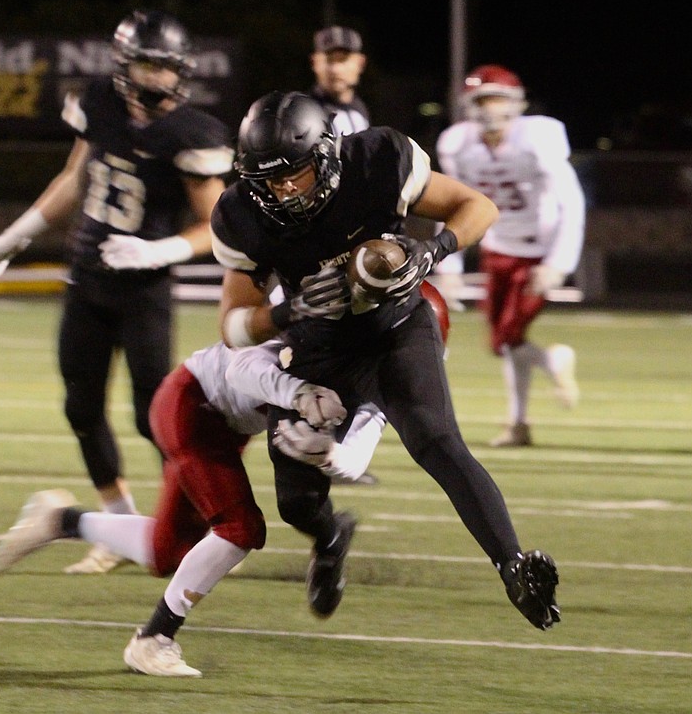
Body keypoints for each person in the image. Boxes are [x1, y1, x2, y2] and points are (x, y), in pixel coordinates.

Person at [209, 90, 561, 631]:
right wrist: (290, 312)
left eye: (293, 174)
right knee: (295, 501)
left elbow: (477, 207)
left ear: (326, 154)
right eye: (267, 179)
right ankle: (329, 539)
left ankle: (513, 565)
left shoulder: (377, 160)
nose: (281, 189)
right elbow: (234, 325)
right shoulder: (241, 213)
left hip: (394, 326)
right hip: (318, 349)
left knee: (436, 440)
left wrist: (432, 250)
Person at [0, 10, 233, 575]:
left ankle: (213, 523)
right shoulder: (100, 105)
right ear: (124, 66)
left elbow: (216, 225)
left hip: (144, 288)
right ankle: (118, 523)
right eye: (149, 65)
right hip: (88, 277)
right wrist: (18, 234)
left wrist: (160, 251)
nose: (161, 78)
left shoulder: (191, 133)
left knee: (154, 415)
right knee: (81, 405)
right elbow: (75, 177)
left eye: (169, 67)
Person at [0, 333, 393, 677]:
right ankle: (153, 638)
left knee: (165, 554)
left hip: (221, 425)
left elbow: (360, 441)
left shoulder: (375, 368)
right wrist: (298, 393)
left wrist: (333, 456)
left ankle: (62, 520)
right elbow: (244, 366)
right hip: (192, 406)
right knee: (241, 530)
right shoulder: (315, 333)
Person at [435, 65, 586, 447]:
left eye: (497, 98)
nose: (489, 108)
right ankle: (519, 423)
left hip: (538, 250)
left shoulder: (538, 138)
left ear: (516, 103)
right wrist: (448, 261)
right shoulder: (458, 144)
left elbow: (572, 202)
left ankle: (552, 364)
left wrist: (559, 262)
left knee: (506, 339)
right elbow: (452, 204)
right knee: (507, 344)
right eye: (482, 100)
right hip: (498, 248)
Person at [309, 25, 370, 136]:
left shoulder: (360, 108)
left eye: (343, 59)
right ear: (314, 63)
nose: (335, 69)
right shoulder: (305, 112)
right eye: (329, 60)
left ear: (360, 63)